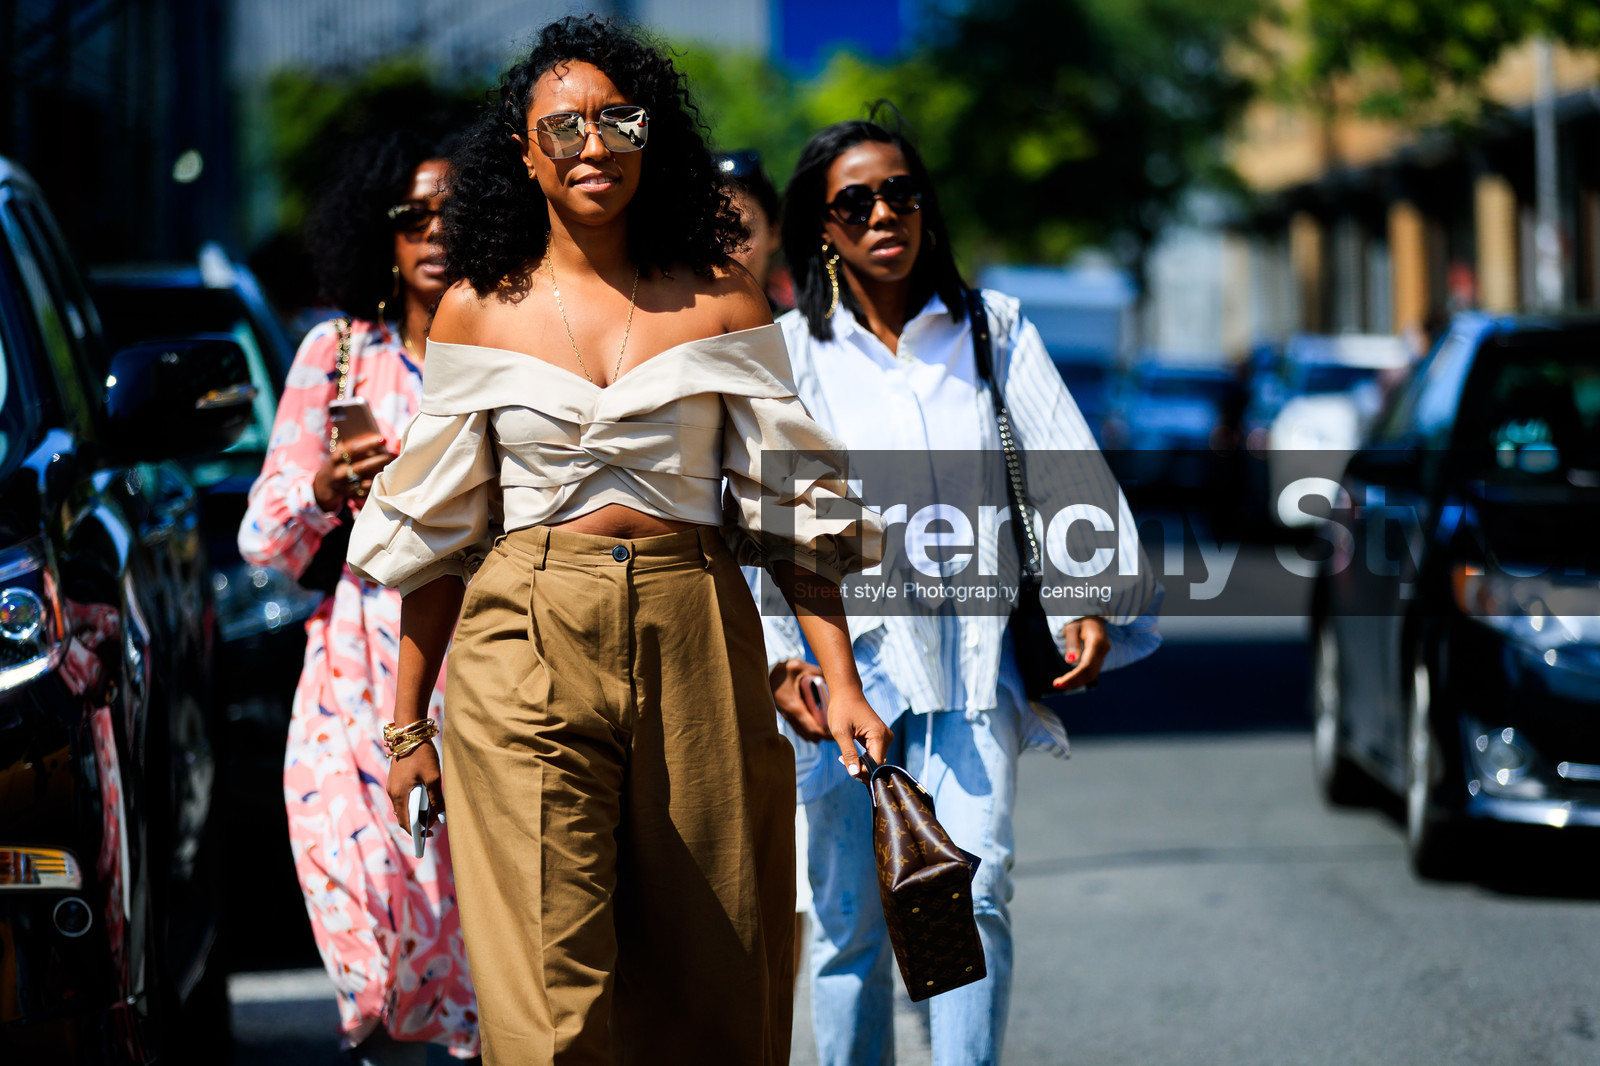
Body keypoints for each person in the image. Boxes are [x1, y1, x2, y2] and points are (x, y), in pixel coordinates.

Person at [343, 17, 891, 1065]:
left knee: (718, 969)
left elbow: (792, 514)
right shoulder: (475, 310)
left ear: (652, 134)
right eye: (564, 128)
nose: (594, 145)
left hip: (696, 630)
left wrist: (844, 679)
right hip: (524, 633)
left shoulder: (722, 294)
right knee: (550, 996)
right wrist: (408, 724)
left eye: (618, 120)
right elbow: (438, 533)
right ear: (523, 151)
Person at [761, 114, 1161, 1066]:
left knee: (973, 898)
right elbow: (775, 525)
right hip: (844, 674)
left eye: (901, 192)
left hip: (974, 669)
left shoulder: (993, 329)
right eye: (854, 202)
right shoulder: (792, 356)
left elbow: (1063, 467)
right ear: (823, 226)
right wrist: (784, 655)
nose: (883, 213)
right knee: (852, 924)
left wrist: (1083, 599)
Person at [238, 130, 481, 1064]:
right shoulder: (336, 354)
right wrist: (326, 489)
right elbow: (263, 538)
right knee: (372, 913)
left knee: (471, 941)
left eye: (451, 214)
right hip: (352, 686)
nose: (432, 234)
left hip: (488, 674)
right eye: (410, 216)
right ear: (378, 235)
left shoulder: (514, 353)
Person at [717, 149, 791, 311]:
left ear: (773, 234)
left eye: (740, 233)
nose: (723, 252)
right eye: (704, 236)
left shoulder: (800, 334)